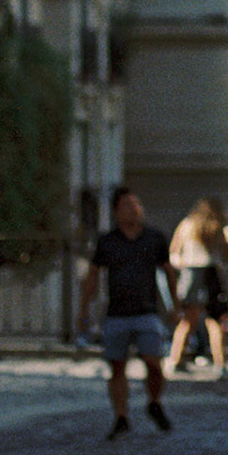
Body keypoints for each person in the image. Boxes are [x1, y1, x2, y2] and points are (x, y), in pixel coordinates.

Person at [78, 187, 178, 439]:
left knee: (154, 363)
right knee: (117, 367)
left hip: (147, 312)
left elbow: (168, 272)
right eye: (127, 205)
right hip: (117, 314)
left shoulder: (154, 238)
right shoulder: (107, 242)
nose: (134, 209)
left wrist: (175, 305)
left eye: (137, 204)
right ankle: (121, 416)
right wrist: (83, 309)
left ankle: (154, 402)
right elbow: (93, 275)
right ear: (116, 211)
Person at [166, 197, 228, 376]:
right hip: (210, 273)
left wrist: (181, 265)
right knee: (216, 321)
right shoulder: (217, 227)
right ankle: (220, 364)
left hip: (191, 273)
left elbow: (173, 251)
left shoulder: (187, 224)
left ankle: (176, 359)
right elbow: (227, 254)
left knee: (188, 320)